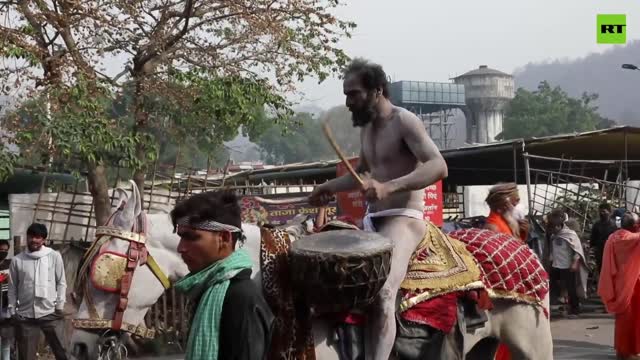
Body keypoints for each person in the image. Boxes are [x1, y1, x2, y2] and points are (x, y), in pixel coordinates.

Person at [309, 58, 448, 360]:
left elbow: (439, 166)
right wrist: (326, 188)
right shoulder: (368, 126)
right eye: (346, 94)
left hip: (404, 219)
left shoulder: (404, 120)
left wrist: (389, 187)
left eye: (354, 93)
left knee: (383, 292)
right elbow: (361, 172)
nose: (348, 102)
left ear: (377, 90)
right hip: (371, 220)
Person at [171, 190, 274, 360]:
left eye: (191, 237)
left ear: (224, 238)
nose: (181, 248)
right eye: (181, 238)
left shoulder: (241, 298)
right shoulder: (209, 290)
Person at [7, 223, 67, 360]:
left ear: (44, 240)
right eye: (31, 236)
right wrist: (12, 309)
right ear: (27, 238)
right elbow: (12, 287)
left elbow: (61, 282)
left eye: (38, 237)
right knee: (26, 355)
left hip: (50, 312)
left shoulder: (54, 256)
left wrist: (59, 305)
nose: (34, 240)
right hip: (25, 314)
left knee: (62, 352)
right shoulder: (17, 260)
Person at [483, 183, 527, 360]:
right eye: (515, 202)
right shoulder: (492, 227)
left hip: (515, 288)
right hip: (502, 293)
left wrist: (521, 231)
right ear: (503, 205)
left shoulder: (509, 222)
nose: (518, 206)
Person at [598, 212, 640, 360]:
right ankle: (631, 350)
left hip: (618, 284)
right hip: (633, 284)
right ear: (635, 226)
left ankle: (622, 350)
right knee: (633, 319)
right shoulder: (634, 239)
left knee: (622, 319)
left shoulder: (612, 238)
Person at [547, 209, 588, 318]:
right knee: (553, 286)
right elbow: (552, 250)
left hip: (568, 266)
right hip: (556, 265)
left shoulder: (570, 234)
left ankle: (575, 310)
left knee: (571, 288)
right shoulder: (553, 236)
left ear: (559, 225)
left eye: (553, 227)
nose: (552, 230)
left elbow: (577, 250)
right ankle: (555, 306)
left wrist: (574, 262)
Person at [590, 202, 617, 276]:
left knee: (610, 269)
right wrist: (593, 247)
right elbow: (593, 238)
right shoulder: (597, 224)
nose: (601, 213)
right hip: (599, 251)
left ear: (609, 212)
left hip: (610, 251)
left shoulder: (614, 225)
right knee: (601, 269)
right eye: (600, 211)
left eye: (604, 211)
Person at [0, 240, 12, 360]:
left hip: (6, 308)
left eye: (5, 250)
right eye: (0, 250)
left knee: (6, 340)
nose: (3, 252)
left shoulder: (11, 263)